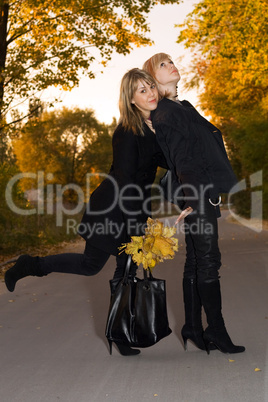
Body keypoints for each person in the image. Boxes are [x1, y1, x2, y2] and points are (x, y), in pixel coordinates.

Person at [4, 68, 168, 356]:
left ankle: (119, 333)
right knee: (91, 265)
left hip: (131, 208)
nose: (150, 93)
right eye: (142, 90)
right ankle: (30, 264)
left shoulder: (149, 129)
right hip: (113, 209)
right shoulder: (127, 133)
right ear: (130, 99)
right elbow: (128, 181)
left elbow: (165, 162)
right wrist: (135, 226)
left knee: (124, 270)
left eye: (151, 87)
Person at [143, 53, 245, 354]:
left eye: (171, 61)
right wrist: (192, 196)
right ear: (152, 78)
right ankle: (216, 330)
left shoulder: (180, 106)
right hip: (197, 191)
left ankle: (192, 325)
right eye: (162, 64)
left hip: (201, 189)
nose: (171, 65)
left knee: (197, 260)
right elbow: (182, 157)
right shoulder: (165, 111)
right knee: (209, 262)